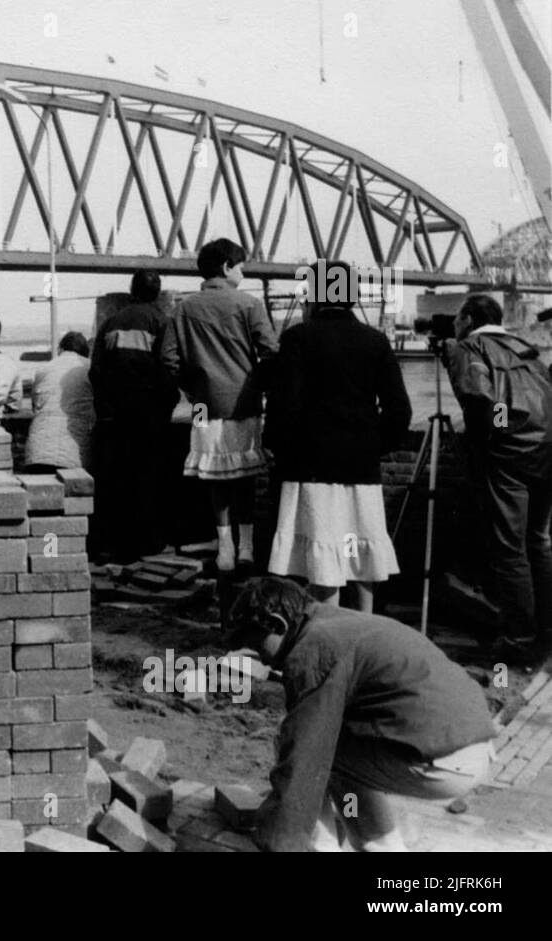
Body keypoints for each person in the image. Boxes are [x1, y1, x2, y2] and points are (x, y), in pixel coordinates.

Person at [227, 577, 495, 852]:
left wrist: (280, 836)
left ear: (276, 624)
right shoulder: (335, 622)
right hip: (473, 746)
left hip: (442, 760)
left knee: (319, 753)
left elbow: (304, 756)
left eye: (258, 647)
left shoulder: (313, 651)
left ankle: (322, 847)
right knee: (338, 755)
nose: (262, 659)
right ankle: (382, 846)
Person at [264, 262, 411, 612]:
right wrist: (374, 447)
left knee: (322, 559)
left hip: (310, 466)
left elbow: (285, 406)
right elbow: (399, 410)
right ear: (352, 295)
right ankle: (366, 634)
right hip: (361, 467)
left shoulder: (297, 338)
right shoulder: (375, 340)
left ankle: (328, 634)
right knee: (362, 557)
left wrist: (280, 449)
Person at [161, 238, 278, 572]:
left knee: (213, 477)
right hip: (245, 403)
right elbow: (270, 351)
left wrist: (193, 386)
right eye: (240, 265)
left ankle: (224, 550)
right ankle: (247, 550)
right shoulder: (249, 304)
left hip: (201, 405)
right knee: (245, 477)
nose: (243, 271)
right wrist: (258, 385)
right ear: (227, 267)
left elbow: (168, 360)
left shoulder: (182, 308)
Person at [446, 294, 552, 661]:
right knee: (538, 543)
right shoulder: (525, 347)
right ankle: (546, 630)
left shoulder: (469, 346)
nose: (454, 325)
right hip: (545, 449)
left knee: (509, 550)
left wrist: (496, 437)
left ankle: (519, 639)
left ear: (470, 318)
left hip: (509, 456)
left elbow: (481, 401)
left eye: (458, 318)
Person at [90, 270, 179, 563]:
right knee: (150, 479)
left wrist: (107, 408)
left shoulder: (110, 323)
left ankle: (117, 545)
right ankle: (149, 543)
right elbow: (169, 367)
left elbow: (96, 372)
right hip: (150, 415)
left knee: (118, 480)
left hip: (116, 418)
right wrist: (168, 403)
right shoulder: (161, 322)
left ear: (131, 291)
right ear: (157, 293)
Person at [26, 331, 95, 472]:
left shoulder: (43, 369)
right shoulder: (91, 368)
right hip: (75, 454)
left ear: (60, 349)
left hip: (38, 450)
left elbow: (35, 405)